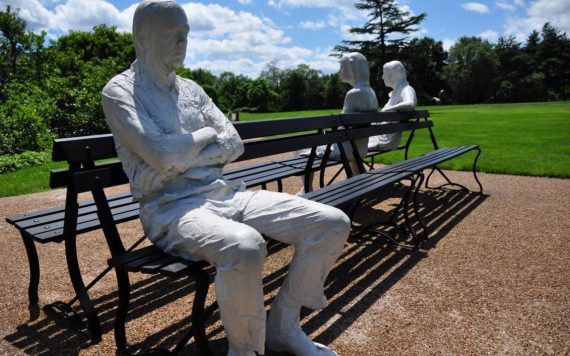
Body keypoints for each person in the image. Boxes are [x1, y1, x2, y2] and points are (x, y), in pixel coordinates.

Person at [101, 1, 350, 355]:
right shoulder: (120, 92)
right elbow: (159, 154)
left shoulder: (191, 90)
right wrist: (203, 135)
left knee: (331, 222)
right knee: (245, 246)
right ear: (142, 37)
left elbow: (232, 143)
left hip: (226, 193)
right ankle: (246, 350)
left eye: (185, 34)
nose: (182, 42)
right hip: (171, 208)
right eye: (172, 34)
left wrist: (179, 152)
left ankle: (283, 327)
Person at [297, 52, 377, 193]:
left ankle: (307, 189)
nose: (339, 71)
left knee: (299, 147)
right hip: (360, 149)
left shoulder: (354, 94)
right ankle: (359, 179)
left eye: (342, 67)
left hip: (345, 150)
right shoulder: (371, 92)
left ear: (354, 69)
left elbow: (340, 128)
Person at [368, 60, 417, 151]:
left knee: (351, 145)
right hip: (382, 135)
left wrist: (388, 110)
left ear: (394, 74)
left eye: (384, 74)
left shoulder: (406, 89)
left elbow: (410, 104)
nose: (382, 77)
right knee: (352, 143)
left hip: (385, 140)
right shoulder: (396, 93)